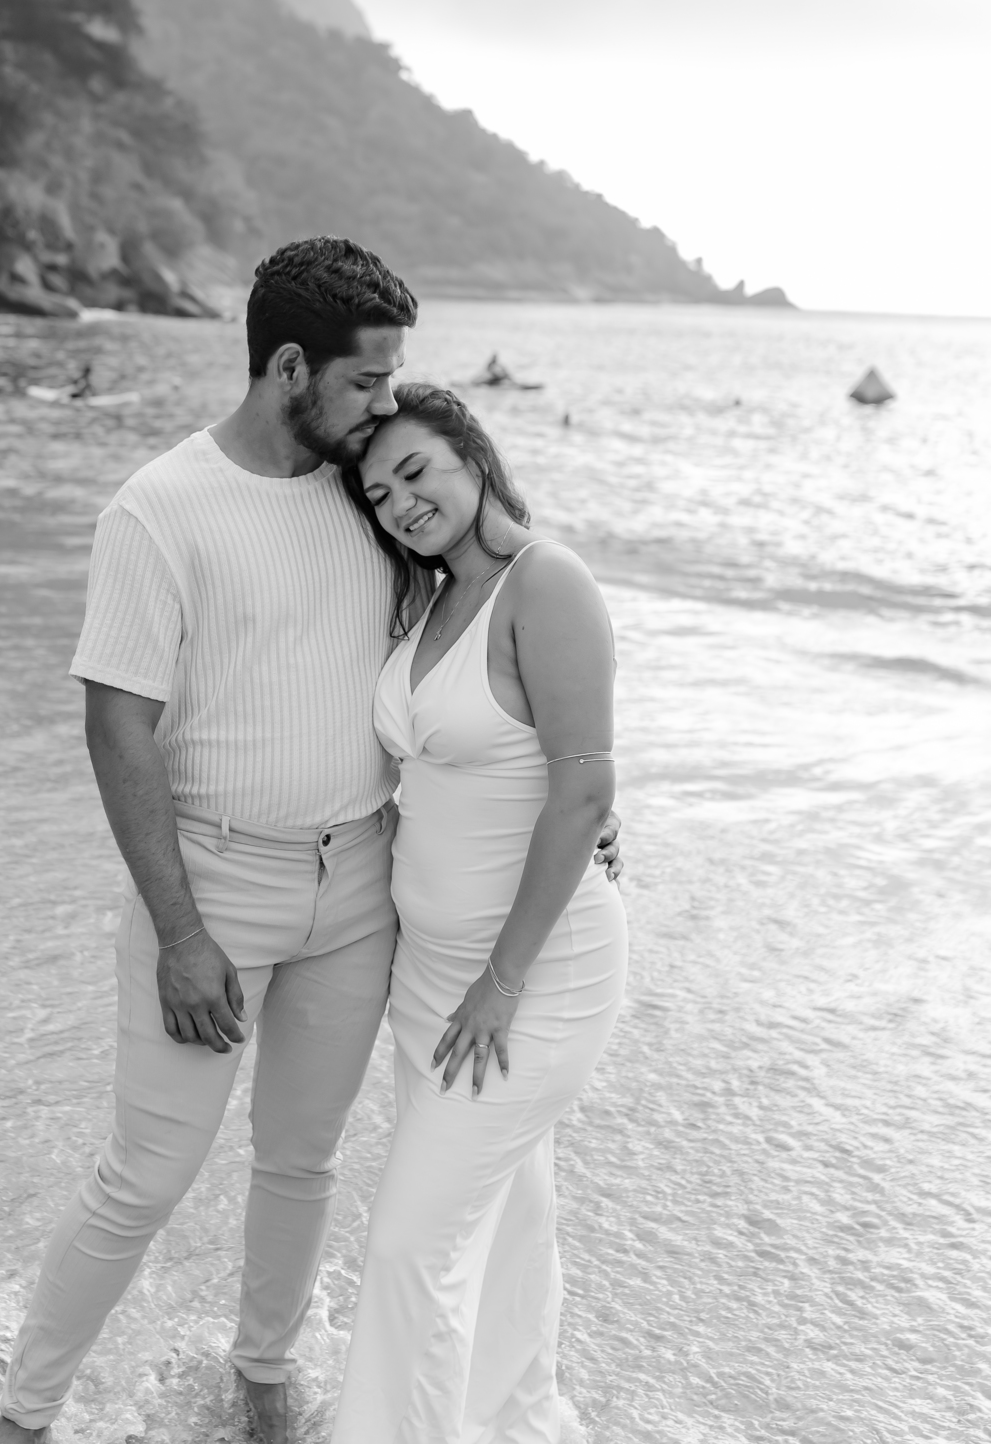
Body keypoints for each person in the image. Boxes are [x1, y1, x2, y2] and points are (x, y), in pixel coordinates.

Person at [0, 239, 622, 1444]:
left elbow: (483, 657)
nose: (390, 410)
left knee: (301, 1161)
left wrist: (581, 788)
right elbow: (116, 721)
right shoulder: (159, 509)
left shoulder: (363, 498)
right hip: (212, 884)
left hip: (362, 887)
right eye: (370, 382)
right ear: (288, 367)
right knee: (145, 1178)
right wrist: (179, 929)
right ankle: (21, 1418)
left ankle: (265, 1382)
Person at [332, 384, 628, 1442]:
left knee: (413, 1244)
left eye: (416, 473)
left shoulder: (546, 582)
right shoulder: (428, 601)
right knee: (504, 1231)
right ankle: (513, 1421)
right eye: (378, 493)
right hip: (432, 975)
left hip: (527, 981)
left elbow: (583, 789)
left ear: (471, 453)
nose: (400, 503)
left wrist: (499, 986)